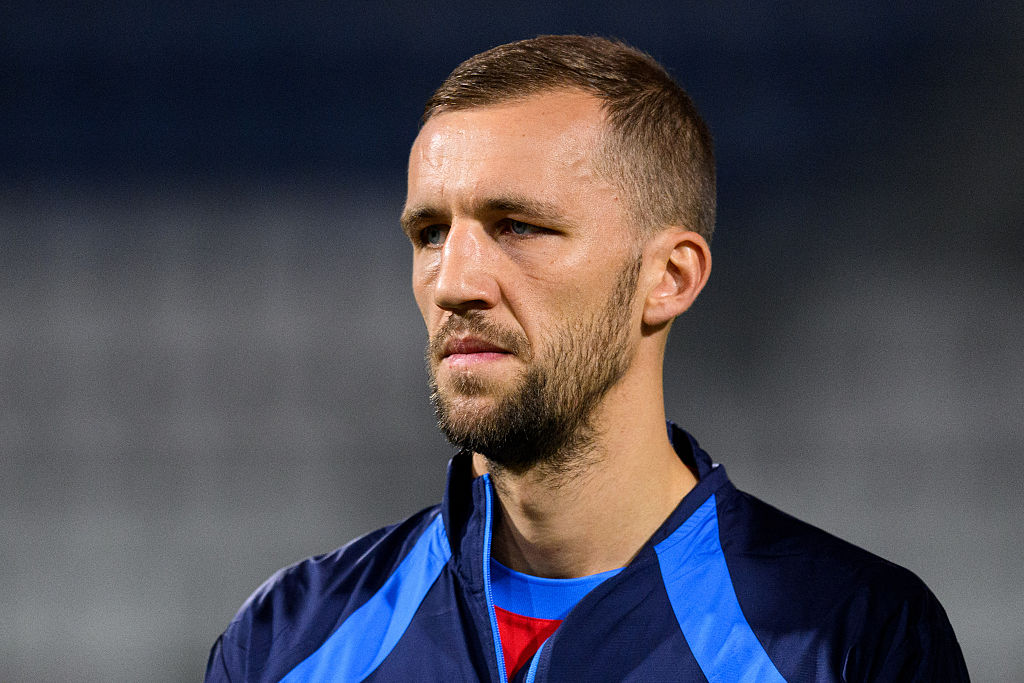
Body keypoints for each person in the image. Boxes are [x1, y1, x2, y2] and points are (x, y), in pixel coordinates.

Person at [205, 35, 968, 682]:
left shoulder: (849, 640)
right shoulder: (289, 642)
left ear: (669, 278)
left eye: (518, 226)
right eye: (432, 232)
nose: (454, 282)